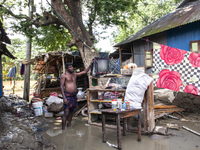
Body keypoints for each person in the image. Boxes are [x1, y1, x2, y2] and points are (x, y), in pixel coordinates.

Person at [60, 60, 93, 130]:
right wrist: (64, 98)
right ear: (66, 69)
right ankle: (63, 129)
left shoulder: (74, 75)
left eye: (72, 67)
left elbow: (84, 72)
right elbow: (61, 87)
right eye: (70, 67)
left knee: (71, 111)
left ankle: (69, 125)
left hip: (74, 95)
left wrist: (90, 64)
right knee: (66, 112)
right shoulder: (64, 76)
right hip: (67, 96)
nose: (72, 68)